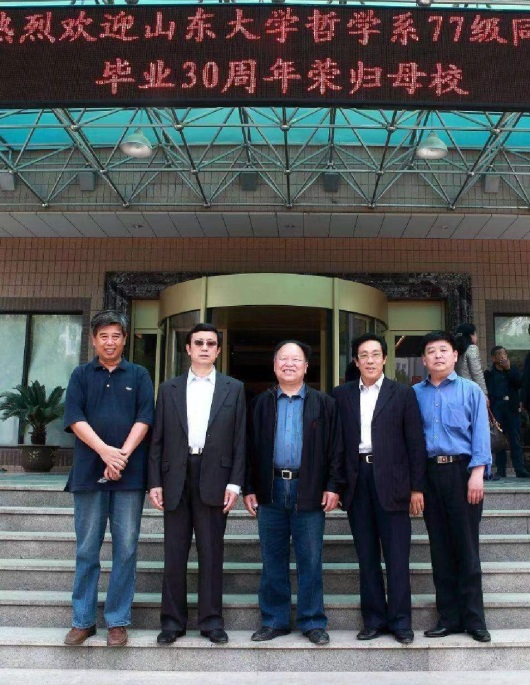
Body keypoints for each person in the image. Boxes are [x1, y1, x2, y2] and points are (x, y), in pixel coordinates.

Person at [148, 323, 246, 645]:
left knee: (211, 552)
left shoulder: (234, 388)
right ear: (188, 349)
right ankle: (172, 622)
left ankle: (211, 621)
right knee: (174, 553)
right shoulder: (169, 389)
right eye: (199, 342)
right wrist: (154, 482)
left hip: (215, 477)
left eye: (211, 343)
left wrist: (235, 484)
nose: (205, 348)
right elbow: (157, 439)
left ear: (218, 350)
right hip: (176, 475)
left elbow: (240, 440)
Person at [63, 310, 154, 647]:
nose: (110, 342)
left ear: (125, 339)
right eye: (104, 336)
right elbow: (75, 418)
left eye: (116, 335)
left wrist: (122, 456)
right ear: (94, 340)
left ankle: (117, 620)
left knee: (126, 548)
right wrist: (105, 452)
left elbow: (145, 418)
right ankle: (83, 620)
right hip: (89, 474)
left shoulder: (140, 374)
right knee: (87, 548)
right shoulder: (81, 375)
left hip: (130, 477)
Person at [244, 340, 344, 645]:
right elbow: (248, 448)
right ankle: (274, 620)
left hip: (309, 488)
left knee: (310, 558)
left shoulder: (324, 403)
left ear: (306, 367)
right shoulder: (260, 404)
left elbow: (336, 448)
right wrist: (249, 487)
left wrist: (333, 486)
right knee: (272, 558)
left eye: (295, 359)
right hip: (270, 488)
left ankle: (312, 621)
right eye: (283, 359)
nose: (289, 364)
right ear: (275, 365)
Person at [332, 333, 426, 645]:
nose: (370, 360)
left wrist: (417, 488)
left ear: (385, 358)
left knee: (397, 557)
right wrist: (337, 485)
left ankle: (401, 621)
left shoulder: (403, 394)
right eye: (364, 355)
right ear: (356, 361)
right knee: (367, 556)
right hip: (357, 480)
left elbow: (415, 443)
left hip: (394, 482)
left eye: (375, 354)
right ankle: (373, 620)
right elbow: (336, 445)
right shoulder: (341, 395)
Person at [413, 331, 491, 643]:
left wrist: (477, 473)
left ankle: (475, 619)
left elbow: (481, 434)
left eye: (443, 350)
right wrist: (415, 484)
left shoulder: (470, 390)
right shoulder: (414, 394)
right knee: (440, 549)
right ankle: (448, 618)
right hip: (430, 474)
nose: (438, 356)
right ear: (423, 359)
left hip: (463, 474)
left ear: (455, 355)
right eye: (431, 351)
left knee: (466, 548)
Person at [485, 346, 530, 479]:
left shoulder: (513, 370)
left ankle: (520, 469)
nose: (503, 356)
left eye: (504, 353)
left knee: (515, 439)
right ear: (493, 358)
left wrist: (509, 369)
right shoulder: (489, 373)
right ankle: (500, 469)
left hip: (512, 408)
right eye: (499, 354)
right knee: (499, 440)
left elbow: (520, 383)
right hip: (497, 408)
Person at [454, 323, 489, 399]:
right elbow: (477, 373)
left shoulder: (454, 350)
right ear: (471, 335)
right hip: (470, 391)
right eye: (475, 333)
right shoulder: (472, 348)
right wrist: (484, 393)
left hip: (456, 390)